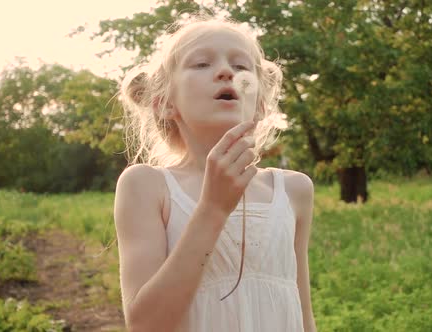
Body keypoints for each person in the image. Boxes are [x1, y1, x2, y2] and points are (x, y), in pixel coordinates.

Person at [113, 15, 317, 332]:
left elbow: (303, 314)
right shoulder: (147, 186)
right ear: (165, 103)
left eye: (241, 66)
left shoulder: (294, 190)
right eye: (201, 64)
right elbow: (145, 324)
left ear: (261, 104)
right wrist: (213, 207)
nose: (226, 72)